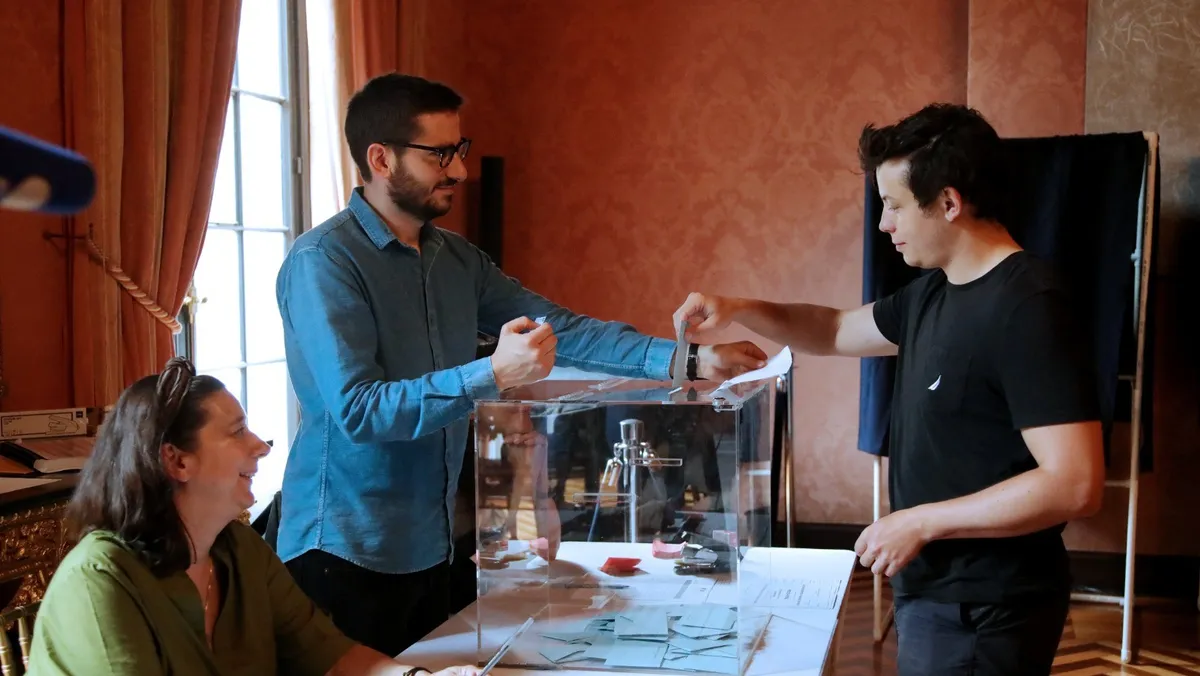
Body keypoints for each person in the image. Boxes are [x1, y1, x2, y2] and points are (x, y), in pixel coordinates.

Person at [274, 72, 768, 658]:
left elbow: (566, 329)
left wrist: (691, 358)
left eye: (460, 149)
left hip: (436, 546)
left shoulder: (457, 260)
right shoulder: (322, 262)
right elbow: (359, 412)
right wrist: (493, 374)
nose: (460, 171)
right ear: (381, 159)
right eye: (439, 155)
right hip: (343, 552)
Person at [672, 103, 1105, 676]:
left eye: (895, 205)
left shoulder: (1028, 306)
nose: (884, 224)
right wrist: (740, 307)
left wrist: (921, 521)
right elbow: (832, 329)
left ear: (948, 203)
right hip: (936, 592)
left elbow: (1074, 483)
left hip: (987, 607)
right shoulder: (935, 291)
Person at [27, 358, 480, 676]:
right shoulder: (100, 580)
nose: (261, 446)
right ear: (177, 460)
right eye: (236, 431)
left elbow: (329, 654)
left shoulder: (238, 548)